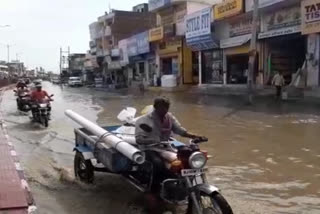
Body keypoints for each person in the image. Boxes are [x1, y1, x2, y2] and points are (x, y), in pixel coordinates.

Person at [135, 97, 201, 186]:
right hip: (150, 148)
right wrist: (153, 140)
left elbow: (180, 130)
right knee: (157, 163)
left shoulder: (169, 117)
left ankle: (183, 181)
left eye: (166, 107)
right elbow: (139, 139)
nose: (164, 110)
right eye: (162, 108)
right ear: (155, 107)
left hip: (167, 146)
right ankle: (154, 188)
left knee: (187, 155)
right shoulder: (144, 120)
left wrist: (194, 136)